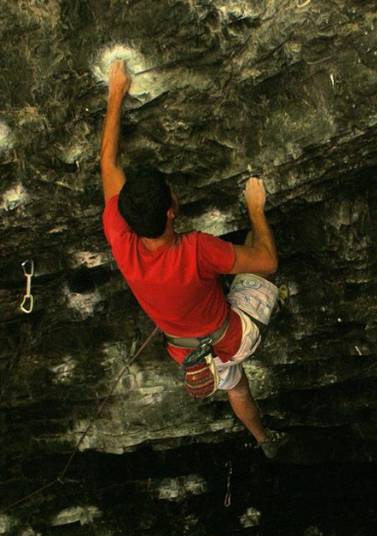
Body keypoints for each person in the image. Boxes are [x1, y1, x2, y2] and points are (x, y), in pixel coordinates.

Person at [100, 60, 286, 457]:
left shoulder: (120, 235)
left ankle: (264, 440)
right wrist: (255, 207)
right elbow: (266, 261)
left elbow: (108, 165)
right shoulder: (196, 250)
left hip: (192, 354)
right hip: (236, 335)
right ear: (171, 211)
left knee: (235, 385)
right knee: (258, 249)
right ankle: (259, 218)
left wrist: (116, 93)